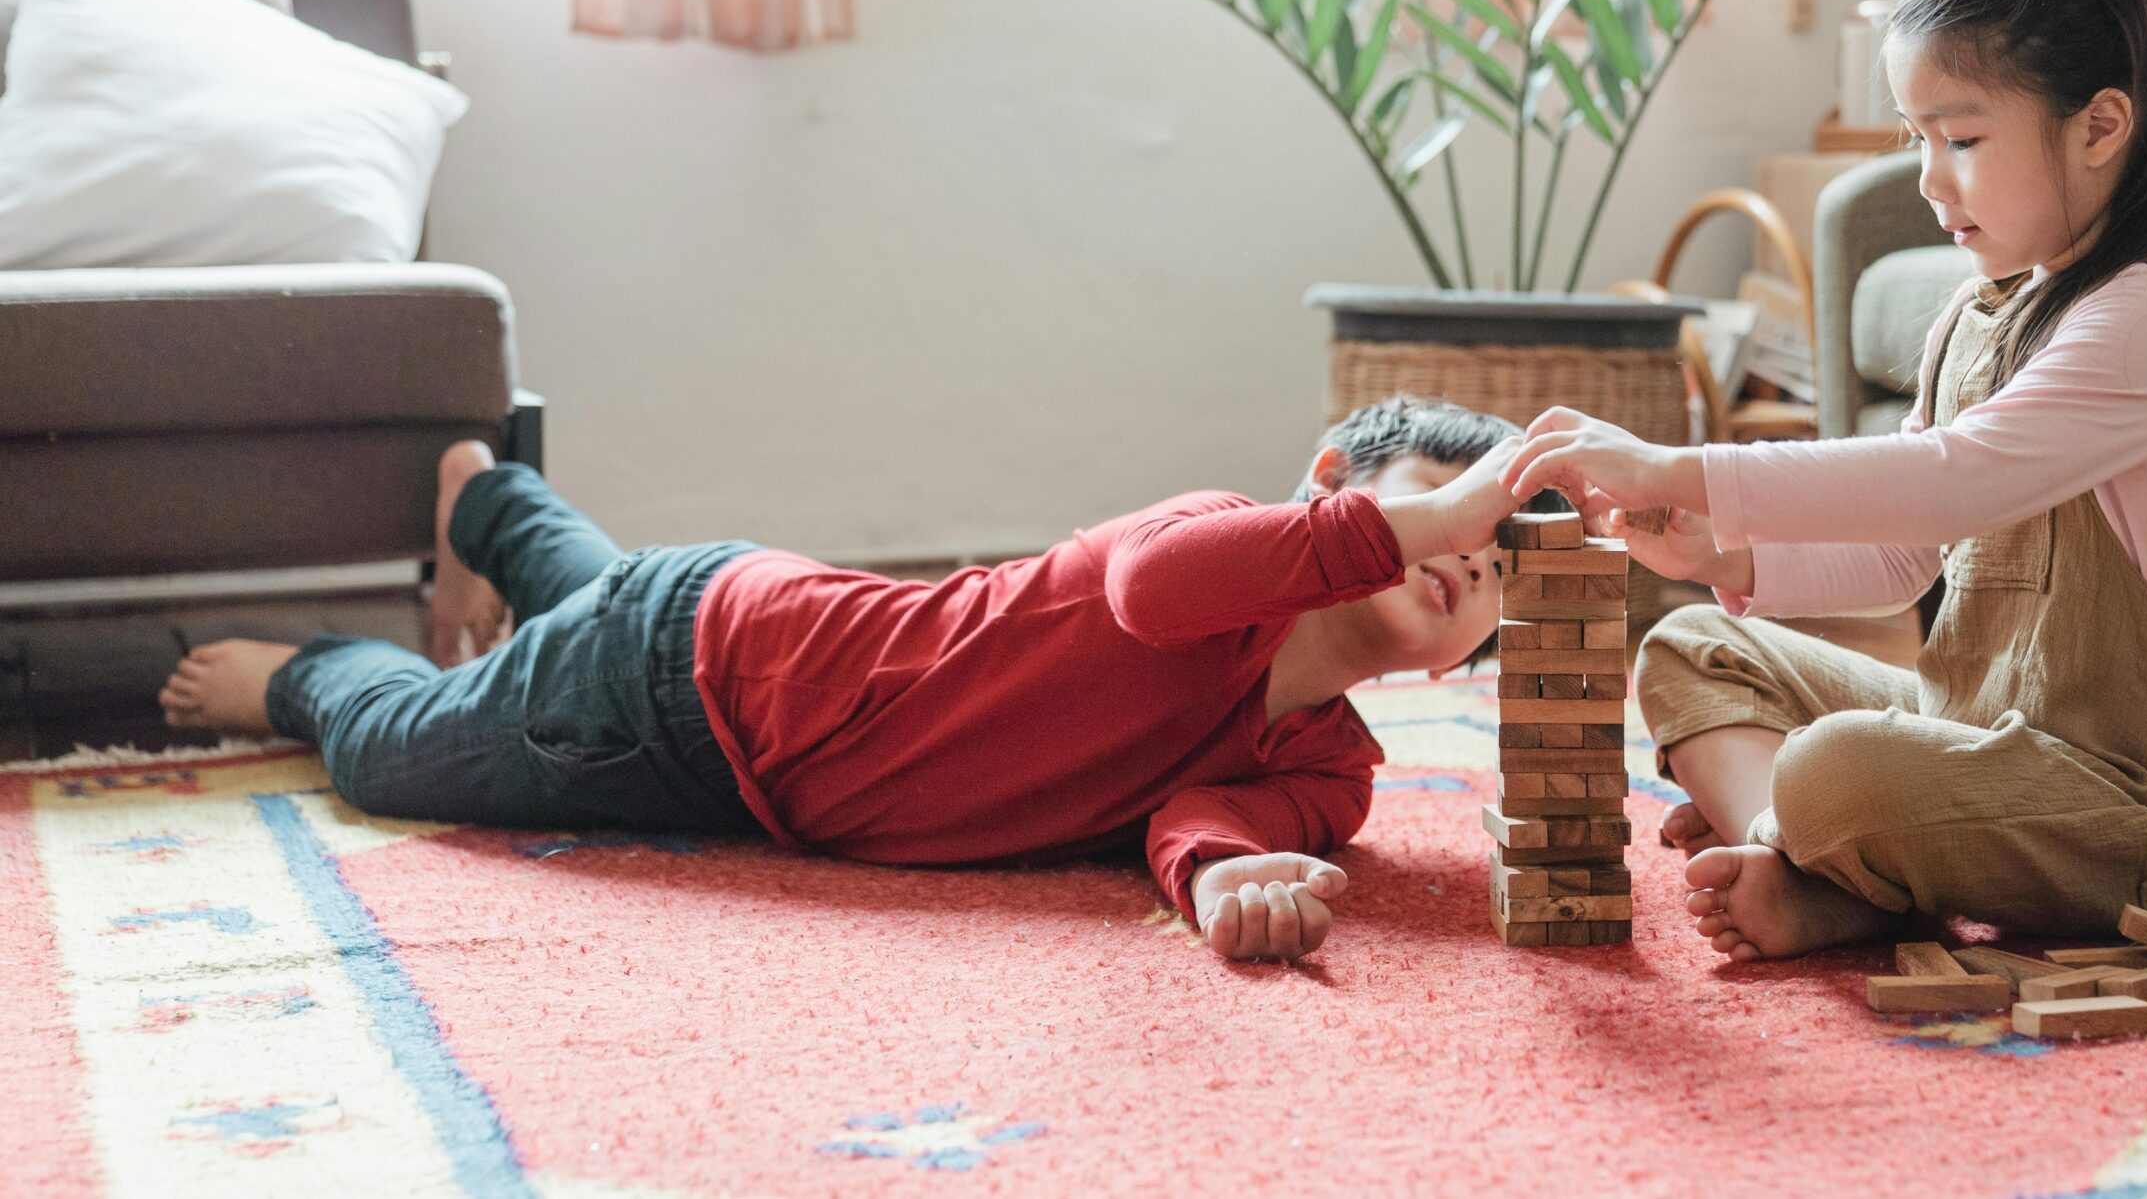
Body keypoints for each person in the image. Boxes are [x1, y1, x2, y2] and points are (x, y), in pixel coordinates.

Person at [1504, 0, 2147, 960]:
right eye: (1917, 139)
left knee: (1830, 768)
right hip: (1985, 741)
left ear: (2098, 126)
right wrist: (1725, 549)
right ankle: (1823, 859)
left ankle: (1803, 846)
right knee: (1689, 644)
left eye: (1961, 138)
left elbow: (1952, 479)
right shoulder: (1980, 312)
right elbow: (1909, 554)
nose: (1930, 180)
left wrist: (1684, 466)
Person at [160, 394, 1529, 964]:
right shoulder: (1212, 538)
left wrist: (1222, 877)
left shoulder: (1333, 764)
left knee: (588, 596)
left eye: (1506, 562)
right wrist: (1441, 510)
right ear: (1339, 488)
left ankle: (493, 502)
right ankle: (313, 669)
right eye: (1457, 510)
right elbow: (1144, 595)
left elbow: (1202, 817)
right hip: (700, 678)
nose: (1478, 551)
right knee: (391, 758)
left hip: (736, 716)